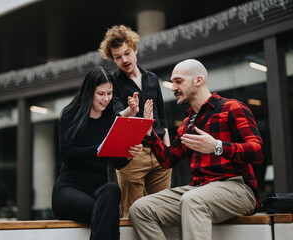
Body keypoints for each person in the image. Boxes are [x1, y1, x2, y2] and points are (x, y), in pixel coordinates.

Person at [129, 59, 264, 240]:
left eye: (178, 81)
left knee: (193, 200)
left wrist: (217, 147)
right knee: (140, 209)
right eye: (172, 82)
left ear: (198, 80)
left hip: (238, 188)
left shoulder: (232, 108)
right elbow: (168, 160)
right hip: (199, 189)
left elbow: (257, 151)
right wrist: (149, 134)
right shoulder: (188, 123)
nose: (173, 87)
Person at [51, 66, 143, 240]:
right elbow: (67, 153)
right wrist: (100, 148)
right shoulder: (71, 114)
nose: (106, 99)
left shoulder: (111, 119)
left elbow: (117, 162)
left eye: (109, 93)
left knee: (112, 189)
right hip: (69, 190)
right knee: (108, 214)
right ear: (89, 91)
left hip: (98, 192)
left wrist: (129, 153)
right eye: (101, 94)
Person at [99, 25, 172, 218]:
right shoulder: (112, 83)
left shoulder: (152, 79)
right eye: (117, 57)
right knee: (132, 215)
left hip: (158, 152)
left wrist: (168, 151)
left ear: (135, 49)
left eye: (127, 53)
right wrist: (130, 110)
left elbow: (162, 117)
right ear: (112, 59)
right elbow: (115, 117)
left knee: (164, 213)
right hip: (131, 154)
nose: (123, 60)